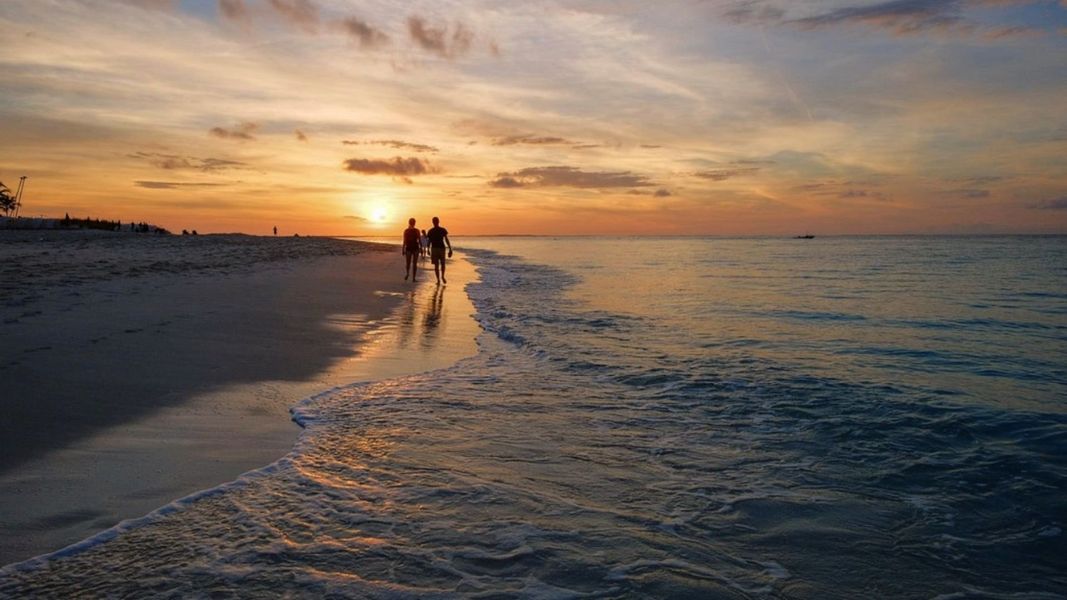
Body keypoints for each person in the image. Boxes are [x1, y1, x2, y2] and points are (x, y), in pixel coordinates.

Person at [426, 216, 452, 284]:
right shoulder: (440, 230)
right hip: (440, 248)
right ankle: (441, 277)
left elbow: (429, 241)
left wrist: (428, 249)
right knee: (442, 264)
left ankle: (439, 279)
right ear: (438, 221)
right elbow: (446, 239)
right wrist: (449, 248)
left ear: (433, 222)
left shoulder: (431, 231)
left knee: (437, 265)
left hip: (435, 249)